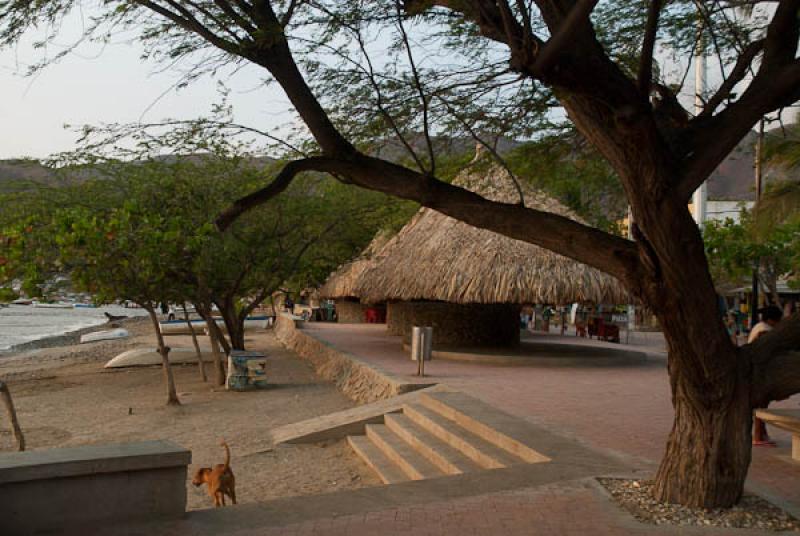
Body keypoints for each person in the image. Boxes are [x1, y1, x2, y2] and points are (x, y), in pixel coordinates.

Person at [748, 305, 783, 446]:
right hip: (759, 373)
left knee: (762, 405)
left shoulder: (759, 326)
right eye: (778, 320)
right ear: (771, 320)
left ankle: (762, 433)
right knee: (761, 405)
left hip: (756, 372)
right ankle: (758, 436)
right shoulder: (764, 331)